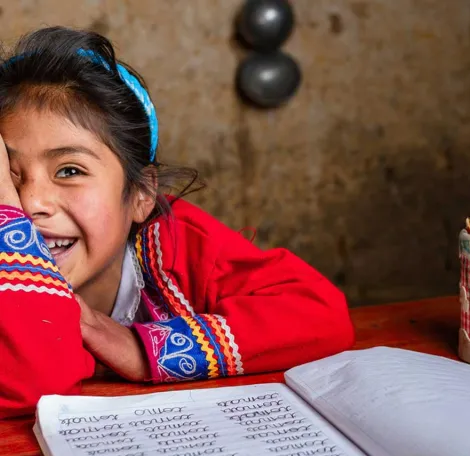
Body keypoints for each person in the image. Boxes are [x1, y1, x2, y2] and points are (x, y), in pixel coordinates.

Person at [0, 27, 354, 419]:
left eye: (68, 170)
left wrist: (138, 348)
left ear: (140, 195)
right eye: (7, 178)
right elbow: (32, 387)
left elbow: (321, 314)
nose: (30, 203)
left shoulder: (178, 243)